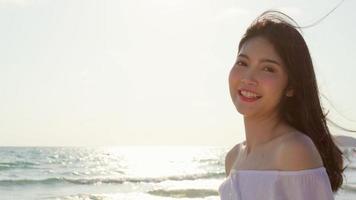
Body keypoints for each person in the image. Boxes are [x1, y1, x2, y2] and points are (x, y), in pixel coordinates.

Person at [218, 10, 345, 200]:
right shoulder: (233, 158)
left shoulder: (293, 150)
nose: (249, 78)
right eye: (242, 63)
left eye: (268, 69)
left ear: (291, 86)